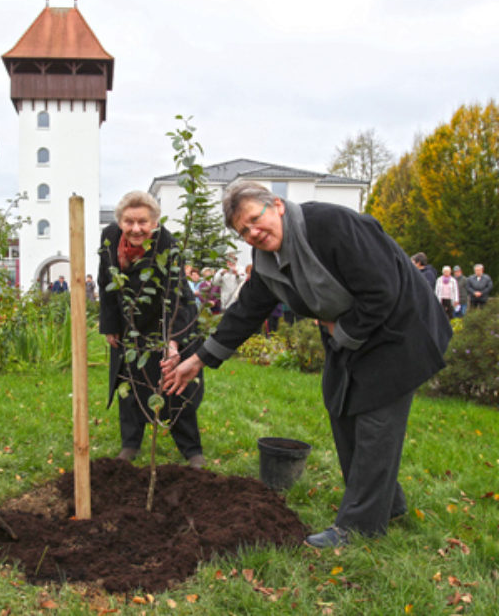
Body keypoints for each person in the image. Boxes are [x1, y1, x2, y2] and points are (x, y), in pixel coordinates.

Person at [162, 182, 451, 548]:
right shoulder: (267, 261)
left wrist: (339, 328)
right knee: (341, 407)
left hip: (400, 328)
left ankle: (360, 525)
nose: (253, 232)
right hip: (353, 333)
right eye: (243, 231)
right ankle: (386, 504)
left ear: (277, 206)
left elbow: (383, 288)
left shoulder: (331, 225)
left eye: (255, 218)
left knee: (377, 422)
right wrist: (198, 360)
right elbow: (248, 310)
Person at [99, 191, 205, 469]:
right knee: (130, 379)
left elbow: (177, 295)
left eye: (143, 222)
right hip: (129, 324)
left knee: (174, 382)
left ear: (155, 222)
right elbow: (105, 280)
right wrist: (110, 325)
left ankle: (192, 450)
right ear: (120, 221)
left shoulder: (166, 243)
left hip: (164, 319)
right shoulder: (109, 238)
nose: (136, 229)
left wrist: (173, 341)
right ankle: (130, 444)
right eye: (129, 222)